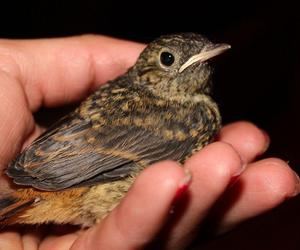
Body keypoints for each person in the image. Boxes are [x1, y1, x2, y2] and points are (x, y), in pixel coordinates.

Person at [0, 35, 298, 250]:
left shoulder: (189, 109)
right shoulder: (194, 118)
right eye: (168, 59)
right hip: (68, 184)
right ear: (145, 69)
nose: (183, 64)